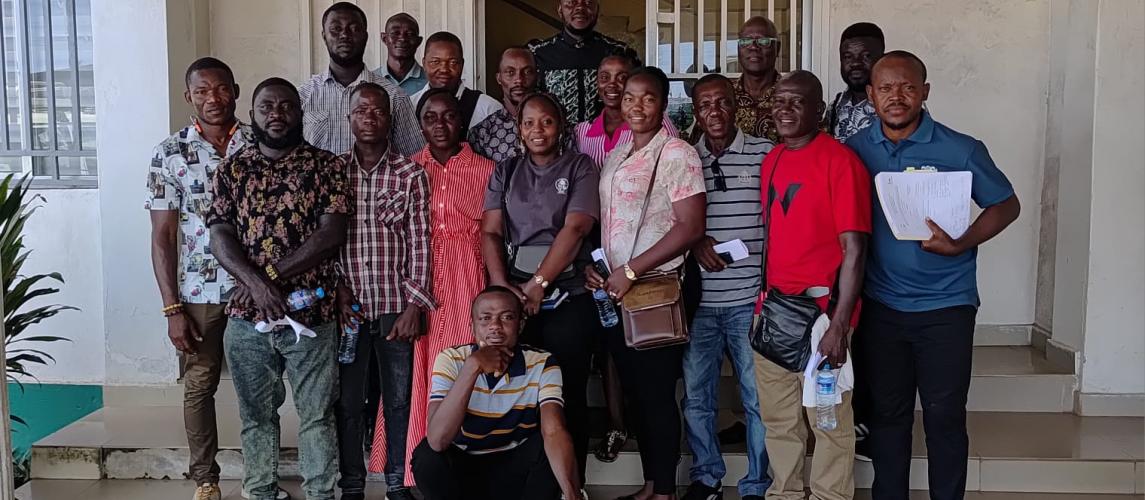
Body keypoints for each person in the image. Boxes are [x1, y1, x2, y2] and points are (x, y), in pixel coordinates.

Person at [846, 51, 1020, 500]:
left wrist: (962, 241)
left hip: (947, 306)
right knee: (887, 417)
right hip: (882, 307)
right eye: (886, 88)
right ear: (871, 95)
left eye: (907, 87)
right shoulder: (855, 150)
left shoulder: (961, 149)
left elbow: (1006, 204)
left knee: (944, 417)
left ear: (924, 92)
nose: (897, 97)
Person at [206, 77, 350, 500]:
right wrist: (256, 286)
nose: (276, 114)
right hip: (247, 321)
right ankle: (260, 491)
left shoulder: (327, 167)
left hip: (312, 315)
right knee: (255, 415)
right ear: (251, 114)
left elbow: (330, 235)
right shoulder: (232, 170)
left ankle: (321, 493)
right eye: (266, 106)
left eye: (286, 106)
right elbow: (219, 236)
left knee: (317, 415)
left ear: (300, 113)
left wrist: (265, 279)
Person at [585, 66, 707, 500]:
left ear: (664, 105)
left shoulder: (676, 153)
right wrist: (598, 267)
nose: (636, 106)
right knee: (635, 390)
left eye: (648, 98)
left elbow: (690, 227)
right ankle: (651, 484)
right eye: (629, 97)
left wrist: (632, 270)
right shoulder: (618, 153)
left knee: (655, 393)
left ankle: (664, 492)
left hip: (657, 287)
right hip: (618, 290)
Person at [753, 70, 870, 500]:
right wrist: (761, 306)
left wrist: (839, 326)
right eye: (778, 101)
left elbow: (855, 249)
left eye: (796, 102)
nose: (784, 110)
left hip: (823, 319)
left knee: (829, 422)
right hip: (774, 312)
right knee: (779, 421)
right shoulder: (772, 160)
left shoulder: (841, 162)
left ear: (819, 110)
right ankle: (783, 494)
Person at [145, 57, 253, 500]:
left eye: (221, 88)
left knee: (258, 384)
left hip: (255, 288)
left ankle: (259, 478)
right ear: (188, 96)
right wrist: (172, 307)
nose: (213, 98)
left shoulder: (259, 143)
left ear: (236, 91)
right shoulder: (169, 154)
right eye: (203, 91)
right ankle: (206, 479)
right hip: (199, 290)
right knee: (200, 383)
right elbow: (163, 236)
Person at [479, 92, 599, 480]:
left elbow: (576, 227)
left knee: (567, 390)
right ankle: (530, 483)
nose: (538, 130)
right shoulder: (506, 170)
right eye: (529, 122)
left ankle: (572, 484)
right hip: (517, 296)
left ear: (560, 126)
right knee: (519, 389)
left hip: (567, 292)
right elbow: (491, 231)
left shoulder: (579, 166)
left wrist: (539, 283)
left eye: (546, 121)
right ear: (518, 129)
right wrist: (502, 285)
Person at [380, 88, 495, 486]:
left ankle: (467, 469)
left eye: (449, 116)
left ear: (461, 121)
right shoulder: (408, 168)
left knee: (465, 363)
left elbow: (494, 234)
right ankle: (417, 472)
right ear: (419, 124)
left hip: (468, 276)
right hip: (419, 278)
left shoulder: (486, 169)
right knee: (421, 369)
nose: (440, 124)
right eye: (430, 117)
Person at [333, 83, 430, 500]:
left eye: (377, 111)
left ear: (390, 119)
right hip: (349, 309)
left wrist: (415, 305)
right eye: (361, 111)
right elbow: (325, 241)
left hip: (395, 308)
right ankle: (352, 483)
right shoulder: (334, 173)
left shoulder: (410, 174)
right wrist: (337, 288)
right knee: (349, 402)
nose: (369, 118)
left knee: (398, 401)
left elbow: (421, 242)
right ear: (349, 118)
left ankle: (396, 481)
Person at [680, 74, 773, 500]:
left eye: (722, 102)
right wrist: (695, 239)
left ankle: (756, 483)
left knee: (757, 398)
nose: (714, 112)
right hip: (700, 303)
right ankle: (706, 476)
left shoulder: (764, 154)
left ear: (736, 105)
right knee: (697, 396)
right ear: (695, 112)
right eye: (705, 105)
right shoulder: (684, 159)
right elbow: (670, 220)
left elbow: (779, 220)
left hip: (749, 300)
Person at [411, 286, 586, 500]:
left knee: (549, 445)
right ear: (472, 326)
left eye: (507, 317)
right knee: (427, 455)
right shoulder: (451, 359)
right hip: (464, 472)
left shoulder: (542, 362)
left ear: (520, 324)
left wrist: (572, 493)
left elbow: (553, 431)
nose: (495, 326)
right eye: (485, 318)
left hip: (514, 472)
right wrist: (472, 367)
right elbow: (438, 440)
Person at [300, 2, 423, 157]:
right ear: (324, 36)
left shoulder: (394, 96)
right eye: (336, 29)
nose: (344, 35)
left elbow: (414, 157)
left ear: (365, 36)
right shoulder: (303, 96)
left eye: (354, 29)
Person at [528, 0, 640, 124]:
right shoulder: (538, 53)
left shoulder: (618, 52)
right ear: (560, 10)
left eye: (588, 2)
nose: (580, 8)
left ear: (597, 9)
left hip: (608, 134)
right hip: (557, 135)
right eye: (571, 2)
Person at [574, 55, 678, 168]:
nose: (612, 84)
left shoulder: (656, 124)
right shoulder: (581, 132)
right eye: (604, 77)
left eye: (622, 78)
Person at [409, 32, 503, 141]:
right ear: (424, 63)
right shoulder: (410, 106)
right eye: (435, 62)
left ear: (462, 64)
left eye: (453, 62)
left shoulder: (488, 109)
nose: (444, 69)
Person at [826, 22, 884, 143]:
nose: (856, 63)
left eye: (866, 56)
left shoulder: (895, 105)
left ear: (882, 59)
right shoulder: (834, 107)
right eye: (848, 57)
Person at [733, 16, 782, 143]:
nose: (753, 47)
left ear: (777, 48)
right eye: (745, 41)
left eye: (764, 41)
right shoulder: (724, 97)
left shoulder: (793, 96)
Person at [377, 13, 428, 96]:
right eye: (395, 33)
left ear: (418, 41)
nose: (403, 38)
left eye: (410, 34)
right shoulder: (370, 81)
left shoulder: (430, 81)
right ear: (384, 38)